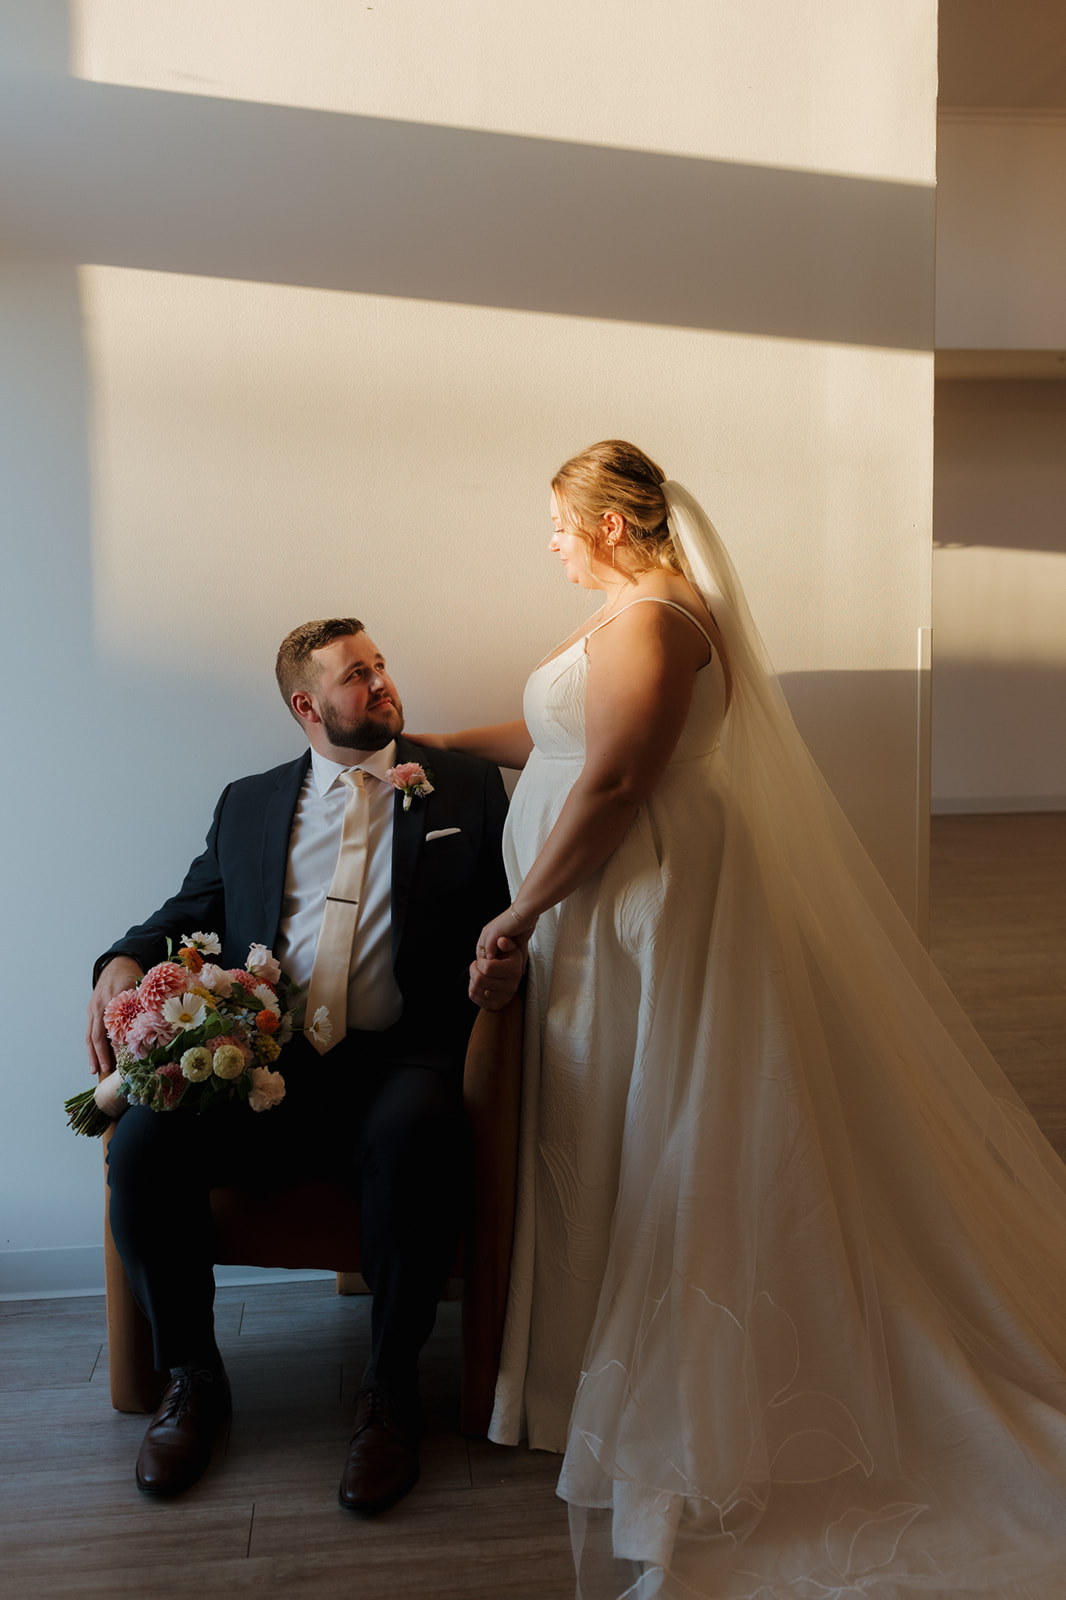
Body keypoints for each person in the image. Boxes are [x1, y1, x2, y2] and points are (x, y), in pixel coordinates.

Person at [420, 442, 1066, 1599]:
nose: (551, 544)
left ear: (610, 523)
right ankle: (574, 1369)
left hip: (635, 901)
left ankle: (626, 1385)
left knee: (648, 1118)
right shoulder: (629, 611)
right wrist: (434, 751)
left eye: (560, 524)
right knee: (604, 1121)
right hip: (597, 899)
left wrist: (519, 911)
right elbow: (562, 741)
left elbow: (615, 781)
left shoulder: (656, 620)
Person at [86, 617, 521, 1511]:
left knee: (417, 1135)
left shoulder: (468, 788)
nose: (381, 681)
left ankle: (390, 1393)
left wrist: (504, 965)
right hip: (267, 1060)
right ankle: (193, 1377)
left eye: (380, 664)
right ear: (306, 706)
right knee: (142, 1146)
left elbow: (511, 915)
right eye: (355, 674)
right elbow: (191, 905)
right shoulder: (249, 801)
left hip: (403, 1058)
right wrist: (121, 961)